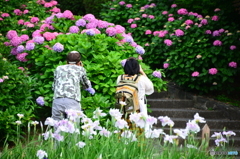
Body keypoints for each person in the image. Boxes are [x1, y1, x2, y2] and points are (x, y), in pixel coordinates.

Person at [52, 51, 93, 120]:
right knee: (73, 127)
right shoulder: (80, 69)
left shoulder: (58, 68)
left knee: (57, 126)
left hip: (57, 100)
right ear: (79, 62)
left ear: (67, 61)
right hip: (72, 101)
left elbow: (54, 86)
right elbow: (86, 85)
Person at [116, 57, 154, 130]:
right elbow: (151, 89)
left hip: (123, 107)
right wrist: (142, 72)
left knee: (124, 130)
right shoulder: (141, 79)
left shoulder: (120, 78)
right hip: (138, 108)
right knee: (138, 131)